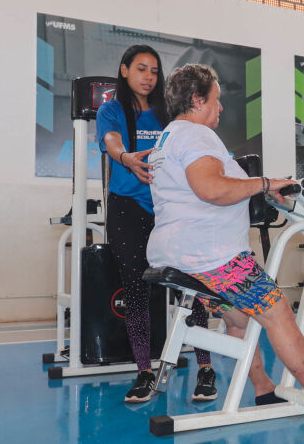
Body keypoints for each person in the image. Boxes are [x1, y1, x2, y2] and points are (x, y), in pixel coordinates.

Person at [147, 63, 304, 417]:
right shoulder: (198, 136)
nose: (221, 108)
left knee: (237, 319)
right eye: (216, 100)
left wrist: (257, 191)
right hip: (213, 257)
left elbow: (199, 190)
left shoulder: (168, 137)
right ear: (198, 100)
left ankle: (264, 389)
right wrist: (264, 183)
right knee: (277, 313)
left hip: (179, 255)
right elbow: (211, 189)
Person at [96, 45, 218, 403]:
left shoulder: (168, 113)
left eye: (154, 70)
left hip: (170, 208)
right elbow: (111, 139)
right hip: (128, 209)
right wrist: (124, 157)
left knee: (190, 285)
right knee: (135, 289)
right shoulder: (112, 110)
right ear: (124, 71)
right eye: (140, 69)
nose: (148, 76)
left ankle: (206, 369)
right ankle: (144, 372)